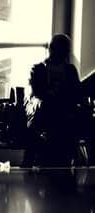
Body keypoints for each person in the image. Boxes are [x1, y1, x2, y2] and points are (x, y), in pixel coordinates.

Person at [24, 34, 83, 167]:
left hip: (55, 110)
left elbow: (76, 93)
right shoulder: (41, 69)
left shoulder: (42, 69)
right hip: (53, 110)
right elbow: (38, 92)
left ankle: (29, 159)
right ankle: (73, 157)